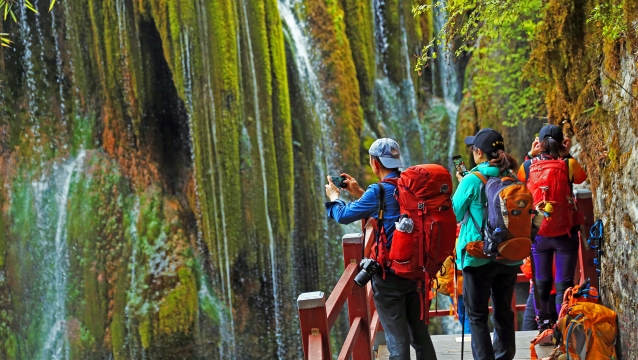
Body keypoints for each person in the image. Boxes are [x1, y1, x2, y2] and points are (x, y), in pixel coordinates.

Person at [325, 138, 437, 360]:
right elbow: (393, 209)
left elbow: (343, 215)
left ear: (374, 163)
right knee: (421, 338)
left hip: (391, 276)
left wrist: (334, 197)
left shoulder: (378, 191)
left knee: (397, 342)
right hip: (418, 272)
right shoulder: (411, 185)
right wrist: (359, 192)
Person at [453, 128, 521, 360]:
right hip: (508, 254)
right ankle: (504, 356)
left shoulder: (472, 179)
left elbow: (456, 212)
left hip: (478, 254)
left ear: (479, 152)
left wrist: (462, 184)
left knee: (477, 316)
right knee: (503, 312)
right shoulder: (512, 177)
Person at [517, 124, 587, 331]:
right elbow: (581, 178)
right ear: (561, 143)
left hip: (538, 233)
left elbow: (520, 178)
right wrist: (567, 154)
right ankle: (563, 326)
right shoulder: (567, 165)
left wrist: (530, 154)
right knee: (563, 283)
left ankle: (543, 323)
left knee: (541, 281)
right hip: (564, 233)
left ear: (539, 143)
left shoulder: (528, 166)